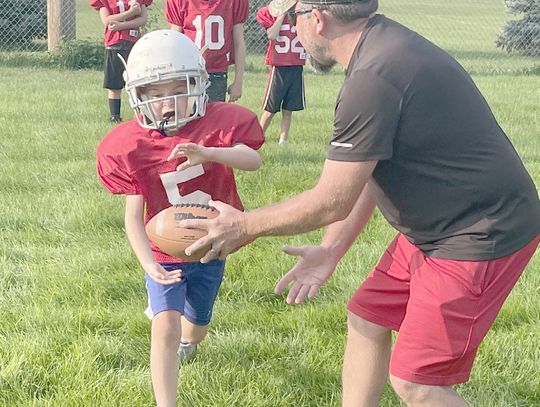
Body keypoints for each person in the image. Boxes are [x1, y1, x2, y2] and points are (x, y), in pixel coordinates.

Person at [177, 1, 540, 406]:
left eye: (293, 19)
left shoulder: (373, 77)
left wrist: (243, 225)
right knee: (367, 316)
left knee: (416, 383)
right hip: (437, 227)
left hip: (479, 232)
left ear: (317, 19)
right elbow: (366, 173)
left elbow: (330, 200)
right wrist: (331, 248)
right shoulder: (383, 46)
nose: (293, 31)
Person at [96, 30, 264, 407]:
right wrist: (148, 264)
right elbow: (133, 218)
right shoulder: (131, 146)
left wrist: (211, 153)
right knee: (165, 327)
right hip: (165, 251)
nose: (167, 102)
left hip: (211, 246)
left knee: (197, 326)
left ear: (199, 85)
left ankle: (191, 341)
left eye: (176, 89)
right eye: (155, 93)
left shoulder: (219, 125)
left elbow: (253, 161)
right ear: (138, 96)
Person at [165, 0, 249, 103]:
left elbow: (239, 43)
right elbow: (174, 40)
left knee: (213, 116)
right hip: (188, 71)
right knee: (186, 115)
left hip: (217, 72)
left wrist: (238, 81)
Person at [90, 0, 152, 123]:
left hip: (134, 44)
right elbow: (107, 21)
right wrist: (131, 12)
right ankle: (115, 116)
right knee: (114, 84)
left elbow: (143, 19)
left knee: (138, 82)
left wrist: (121, 25)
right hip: (114, 44)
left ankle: (142, 114)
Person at [256, 1, 307, 145]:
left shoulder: (301, 13)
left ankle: (283, 141)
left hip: (296, 65)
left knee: (288, 108)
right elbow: (272, 35)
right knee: (270, 109)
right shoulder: (272, 13)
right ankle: (257, 136)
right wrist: (281, 14)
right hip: (279, 66)